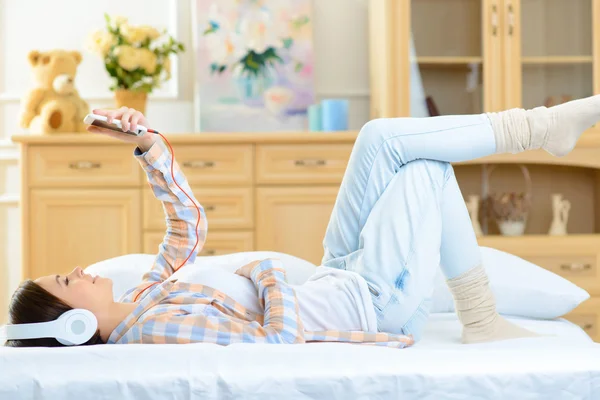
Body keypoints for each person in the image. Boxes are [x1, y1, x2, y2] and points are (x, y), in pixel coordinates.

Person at [5, 95, 599, 347]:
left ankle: (543, 128)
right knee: (423, 168)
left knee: (377, 138)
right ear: (78, 324)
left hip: (331, 279)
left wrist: (149, 144)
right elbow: (276, 341)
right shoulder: (154, 333)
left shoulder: (142, 298)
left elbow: (186, 229)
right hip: (368, 303)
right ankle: (483, 318)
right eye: (66, 280)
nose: (78, 270)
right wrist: (264, 273)